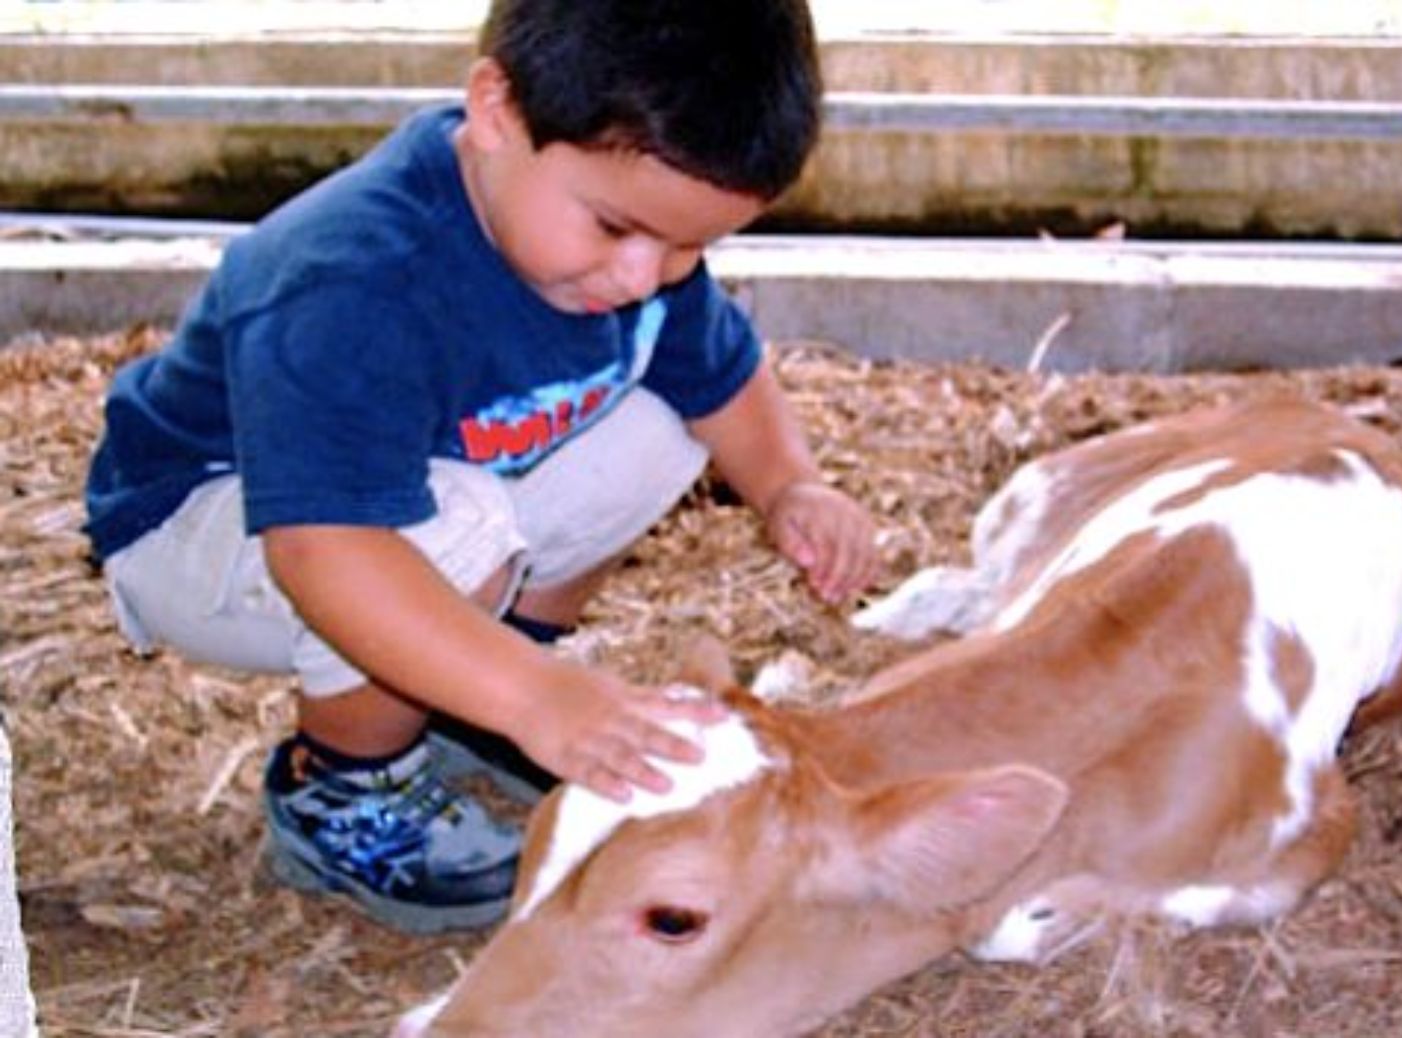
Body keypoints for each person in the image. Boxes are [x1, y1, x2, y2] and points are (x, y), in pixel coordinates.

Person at [81, 0, 878, 935]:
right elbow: (325, 551)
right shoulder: (350, 279)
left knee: (663, 425)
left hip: (403, 506)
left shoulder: (613, 251)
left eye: (690, 247)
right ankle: (344, 791)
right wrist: (542, 703)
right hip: (209, 527)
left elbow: (721, 378)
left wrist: (791, 484)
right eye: (617, 227)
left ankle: (456, 711)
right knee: (456, 524)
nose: (641, 275)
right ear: (496, 109)